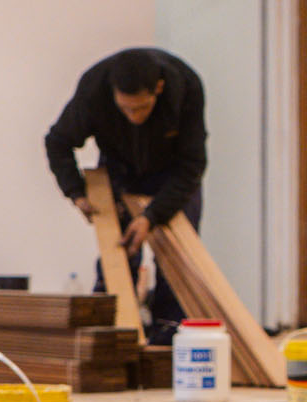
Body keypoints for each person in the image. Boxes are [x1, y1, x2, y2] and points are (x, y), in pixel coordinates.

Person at [42, 46, 207, 340]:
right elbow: (57, 142)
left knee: (176, 262)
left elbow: (192, 165)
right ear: (113, 94)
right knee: (117, 257)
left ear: (158, 88)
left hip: (172, 172)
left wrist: (152, 216)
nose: (134, 116)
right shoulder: (94, 89)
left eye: (142, 108)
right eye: (126, 108)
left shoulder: (186, 87)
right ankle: (112, 336)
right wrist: (76, 193)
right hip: (119, 169)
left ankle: (168, 338)